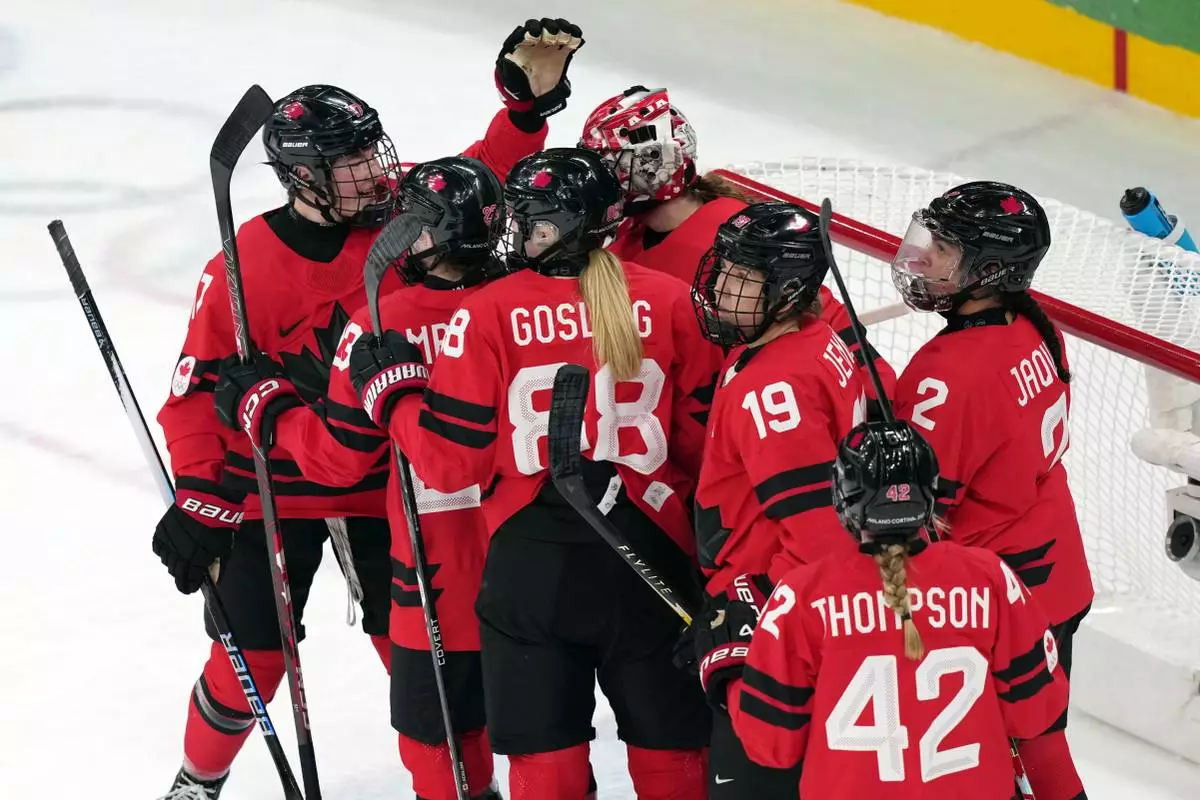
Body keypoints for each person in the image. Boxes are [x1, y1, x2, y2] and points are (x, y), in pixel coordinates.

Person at [151, 21, 581, 797]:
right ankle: (196, 781)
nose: (377, 171)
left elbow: (477, 176)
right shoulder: (243, 266)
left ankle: (455, 773)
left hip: (386, 480)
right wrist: (199, 491)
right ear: (304, 178)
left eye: (374, 150)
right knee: (254, 656)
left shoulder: (397, 212)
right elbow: (189, 395)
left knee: (417, 646)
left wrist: (525, 114)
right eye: (351, 161)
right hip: (277, 483)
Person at [346, 147, 721, 800]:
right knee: (673, 755)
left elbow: (448, 462)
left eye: (532, 220)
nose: (514, 231)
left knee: (545, 769)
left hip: (532, 568)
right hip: (652, 555)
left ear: (568, 227)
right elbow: (702, 447)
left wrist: (394, 395)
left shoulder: (487, 312)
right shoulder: (671, 300)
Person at [215, 156, 510, 799]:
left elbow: (337, 460)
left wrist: (269, 408)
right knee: (554, 734)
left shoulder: (385, 321)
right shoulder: (534, 299)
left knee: (439, 734)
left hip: (440, 566)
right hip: (541, 549)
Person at [693, 419, 1073, 800]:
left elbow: (770, 742)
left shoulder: (801, 596)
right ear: (929, 491)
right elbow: (1035, 711)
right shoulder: (989, 580)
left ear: (843, 498)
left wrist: (732, 675)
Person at [888, 181, 1093, 800]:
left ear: (991, 269)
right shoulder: (1038, 327)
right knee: (1040, 747)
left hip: (990, 606)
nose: (922, 257)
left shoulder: (946, 377)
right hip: (1054, 581)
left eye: (944, 249)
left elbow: (911, 513)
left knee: (982, 774)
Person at [686, 200, 868, 798]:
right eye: (723, 270)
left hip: (772, 617)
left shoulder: (775, 389)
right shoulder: (813, 341)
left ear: (788, 290)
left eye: (740, 278)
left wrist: (756, 606)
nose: (719, 287)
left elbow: (819, 537)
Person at [578, 85, 894, 393]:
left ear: (653, 168)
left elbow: (815, 312)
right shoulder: (626, 236)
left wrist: (878, 395)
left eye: (610, 166)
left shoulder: (735, 236)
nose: (597, 182)